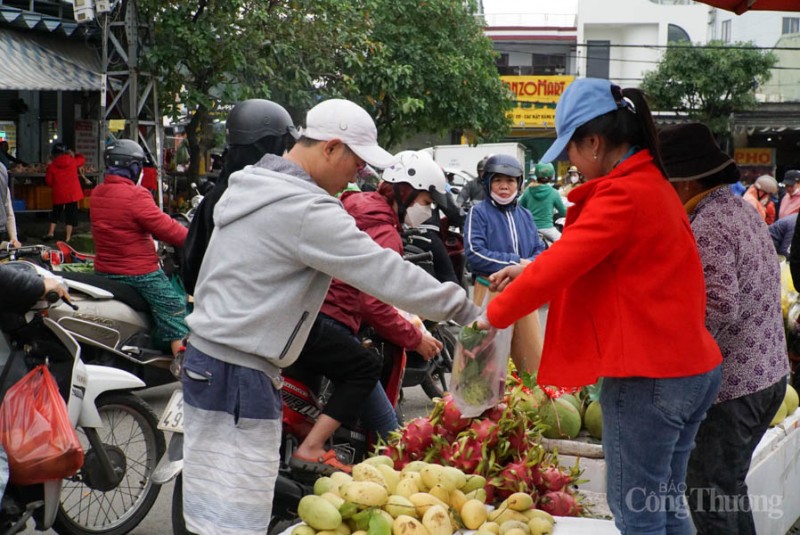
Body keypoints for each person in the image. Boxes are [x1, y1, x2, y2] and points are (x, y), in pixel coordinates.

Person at [180, 98, 479, 534]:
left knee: (211, 501)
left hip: (208, 361)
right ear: (331, 148)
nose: (357, 176)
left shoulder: (249, 185)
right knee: (238, 515)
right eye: (356, 164)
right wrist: (470, 311)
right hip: (240, 374)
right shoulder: (305, 209)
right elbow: (384, 272)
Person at [480, 79, 722, 534]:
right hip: (690, 368)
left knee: (638, 513)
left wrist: (486, 318)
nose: (569, 162)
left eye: (569, 149)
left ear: (593, 143)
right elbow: (581, 251)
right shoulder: (650, 183)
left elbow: (564, 265)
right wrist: (527, 269)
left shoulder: (622, 193)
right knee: (666, 504)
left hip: (652, 377)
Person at [658, 123, 789, 535]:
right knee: (727, 488)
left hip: (736, 388)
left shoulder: (708, 225)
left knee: (708, 495)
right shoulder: (739, 210)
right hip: (768, 376)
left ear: (686, 182)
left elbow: (716, 308)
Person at [286, 151, 447, 473]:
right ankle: (403, 473)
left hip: (300, 313)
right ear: (405, 192)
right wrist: (414, 338)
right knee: (368, 379)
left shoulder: (354, 205)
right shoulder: (385, 232)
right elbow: (372, 301)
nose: (425, 210)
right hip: (330, 318)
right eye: (425, 200)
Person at [182, 99, 298, 295]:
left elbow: (191, 272)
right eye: (282, 143)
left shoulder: (217, 195)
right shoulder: (272, 198)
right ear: (269, 144)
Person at [91, 139, 189, 358]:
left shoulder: (98, 192)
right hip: (138, 273)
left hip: (105, 270)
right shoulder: (136, 195)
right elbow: (166, 229)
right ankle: (183, 367)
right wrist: (195, 237)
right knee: (173, 304)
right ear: (133, 168)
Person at [465, 153, 546, 373]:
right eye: (498, 180)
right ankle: (488, 408)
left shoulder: (525, 215)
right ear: (488, 182)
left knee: (532, 360)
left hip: (523, 292)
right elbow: (474, 253)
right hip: (491, 289)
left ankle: (533, 403)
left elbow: (540, 250)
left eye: (510, 181)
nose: (504, 186)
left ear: (518, 184)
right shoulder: (478, 213)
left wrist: (528, 265)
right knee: (488, 366)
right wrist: (514, 261)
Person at [43, 143, 85, 242]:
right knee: (70, 214)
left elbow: (48, 181)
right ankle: (68, 237)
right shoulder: (73, 161)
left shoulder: (51, 166)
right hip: (72, 194)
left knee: (55, 213)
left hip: (59, 193)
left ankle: (51, 232)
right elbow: (82, 160)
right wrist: (75, 154)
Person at [518, 162, 567, 243]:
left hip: (530, 229)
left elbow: (519, 208)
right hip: (548, 229)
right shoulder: (554, 192)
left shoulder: (528, 190)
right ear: (551, 177)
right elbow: (563, 212)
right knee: (564, 245)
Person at [0, 163, 20, 248]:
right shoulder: (2, 170)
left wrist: (14, 238)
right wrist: (13, 238)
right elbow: (8, 210)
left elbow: (8, 210)